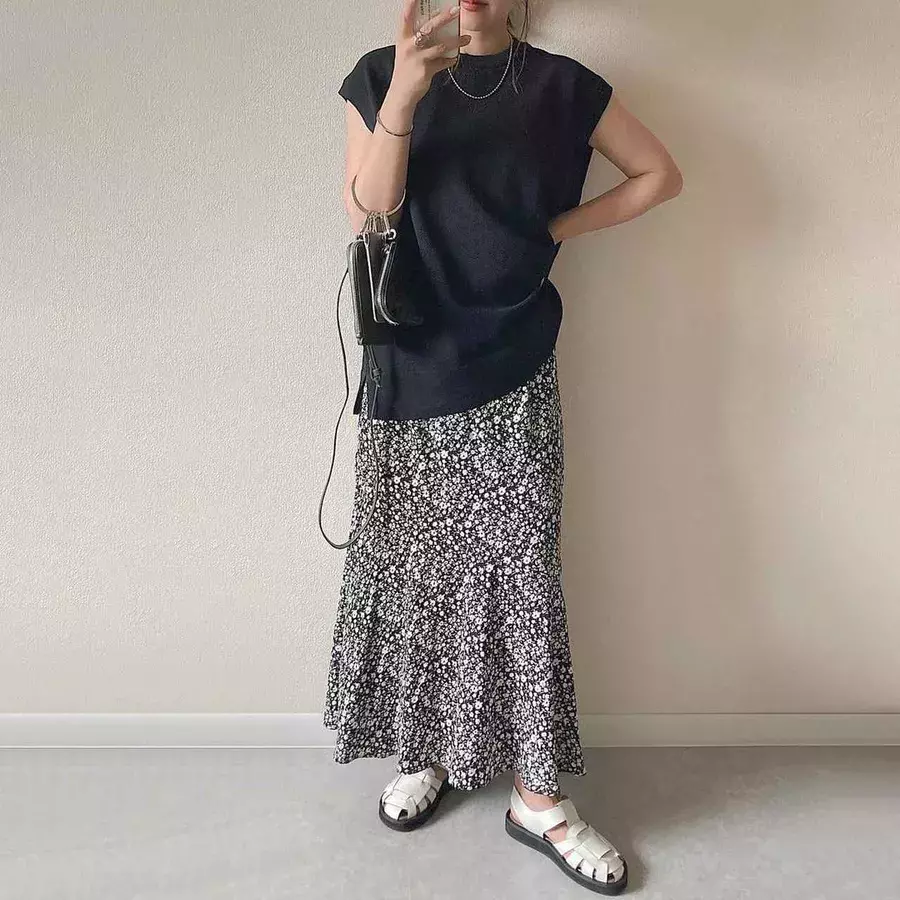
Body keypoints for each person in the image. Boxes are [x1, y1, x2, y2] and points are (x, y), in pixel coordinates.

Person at [324, 0, 682, 893]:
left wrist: (553, 231)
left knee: (521, 576)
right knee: (417, 571)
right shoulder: (379, 75)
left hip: (513, 361)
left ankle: (538, 799)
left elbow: (658, 176)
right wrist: (404, 96)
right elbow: (368, 213)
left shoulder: (562, 87)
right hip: (409, 364)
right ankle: (427, 751)